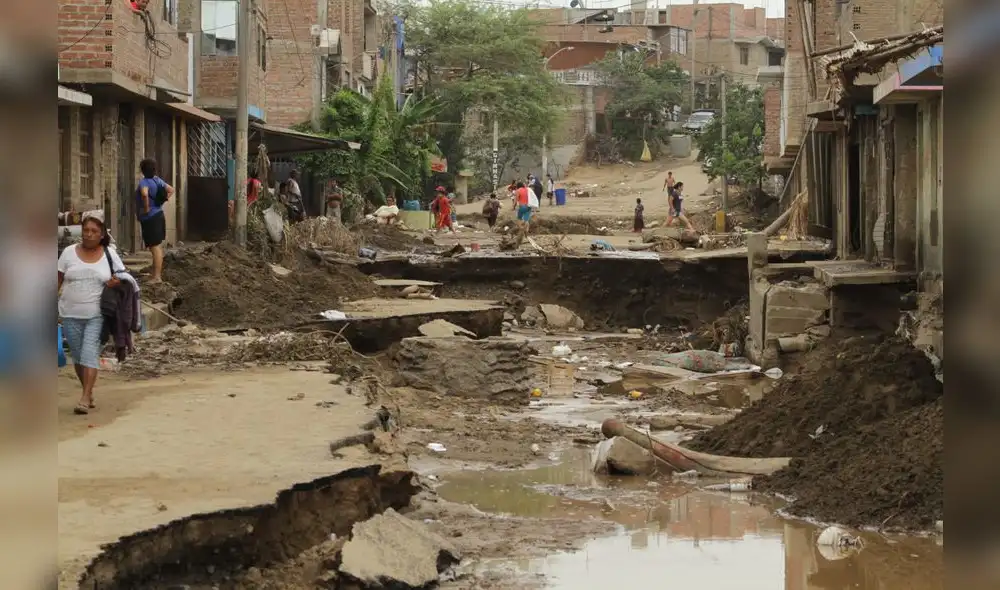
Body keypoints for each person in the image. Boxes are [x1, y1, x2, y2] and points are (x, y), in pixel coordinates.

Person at [58, 213, 126, 415]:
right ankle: (88, 390)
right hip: (69, 313)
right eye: (86, 230)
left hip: (97, 314)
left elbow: (123, 277)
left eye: (94, 231)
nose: (88, 234)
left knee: (89, 354)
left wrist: (116, 283)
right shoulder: (69, 253)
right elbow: (57, 278)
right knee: (79, 358)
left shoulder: (109, 254)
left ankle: (85, 398)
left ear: (102, 234)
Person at [135, 158, 173, 283]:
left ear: (142, 170)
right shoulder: (157, 180)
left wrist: (146, 208)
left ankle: (157, 277)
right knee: (155, 247)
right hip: (159, 214)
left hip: (150, 218)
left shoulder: (144, 182)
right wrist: (160, 201)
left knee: (155, 247)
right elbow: (171, 190)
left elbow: (144, 194)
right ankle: (154, 275)